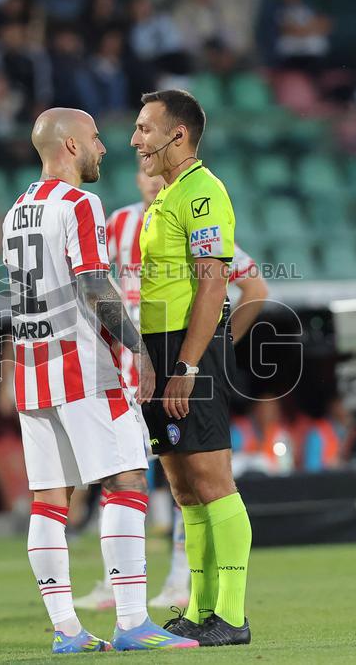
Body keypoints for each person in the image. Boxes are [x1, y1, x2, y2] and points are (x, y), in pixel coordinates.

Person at [2, 107, 197, 654]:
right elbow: (93, 282)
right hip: (84, 367)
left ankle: (67, 630)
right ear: (68, 146)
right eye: (93, 138)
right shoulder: (81, 204)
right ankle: (133, 621)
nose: (104, 148)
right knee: (128, 482)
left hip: (34, 372)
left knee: (48, 501)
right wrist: (140, 350)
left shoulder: (16, 211)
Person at [75, 158, 267, 612]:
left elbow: (253, 288)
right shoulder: (117, 224)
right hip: (124, 376)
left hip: (178, 371)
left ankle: (184, 582)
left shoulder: (192, 220)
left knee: (197, 478)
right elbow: (91, 289)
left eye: (160, 171)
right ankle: (114, 582)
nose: (154, 178)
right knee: (124, 476)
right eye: (144, 170)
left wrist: (209, 349)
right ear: (138, 177)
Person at [131, 89, 252, 646]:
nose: (136, 141)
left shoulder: (203, 193)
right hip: (161, 349)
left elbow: (212, 283)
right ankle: (200, 611)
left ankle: (231, 614)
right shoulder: (169, 194)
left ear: (177, 134)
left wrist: (186, 364)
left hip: (188, 348)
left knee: (212, 481)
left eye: (145, 129)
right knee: (183, 486)